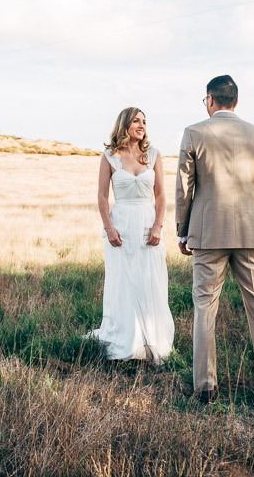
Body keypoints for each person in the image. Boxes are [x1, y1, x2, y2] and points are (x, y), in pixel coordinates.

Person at [175, 75, 254, 402]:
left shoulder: (194, 133)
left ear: (210, 99)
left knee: (205, 307)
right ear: (235, 101)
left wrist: (182, 230)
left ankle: (206, 387)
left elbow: (184, 187)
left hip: (208, 233)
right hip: (251, 230)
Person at [89, 107, 175, 364]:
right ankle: (127, 338)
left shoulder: (153, 155)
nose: (142, 125)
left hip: (148, 224)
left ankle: (152, 339)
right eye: (136, 121)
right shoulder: (110, 157)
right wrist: (109, 228)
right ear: (124, 124)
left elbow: (161, 194)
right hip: (122, 225)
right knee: (123, 282)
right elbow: (102, 195)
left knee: (150, 279)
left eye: (144, 121)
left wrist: (158, 226)